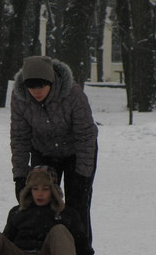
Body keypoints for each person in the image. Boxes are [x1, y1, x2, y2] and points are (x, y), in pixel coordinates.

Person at [10, 55, 98, 251]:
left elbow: (86, 135)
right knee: (41, 199)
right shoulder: (19, 97)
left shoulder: (73, 94)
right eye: (31, 87)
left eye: (40, 86)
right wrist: (20, 176)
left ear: (51, 82)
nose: (35, 92)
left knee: (77, 205)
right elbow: (19, 138)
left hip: (78, 151)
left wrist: (82, 175)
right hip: (43, 150)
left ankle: (82, 250)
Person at [0, 166, 93, 255]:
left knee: (59, 231)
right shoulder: (18, 212)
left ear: (53, 191)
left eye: (45, 189)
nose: (39, 194)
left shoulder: (67, 214)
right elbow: (5, 241)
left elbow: (83, 248)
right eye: (35, 189)